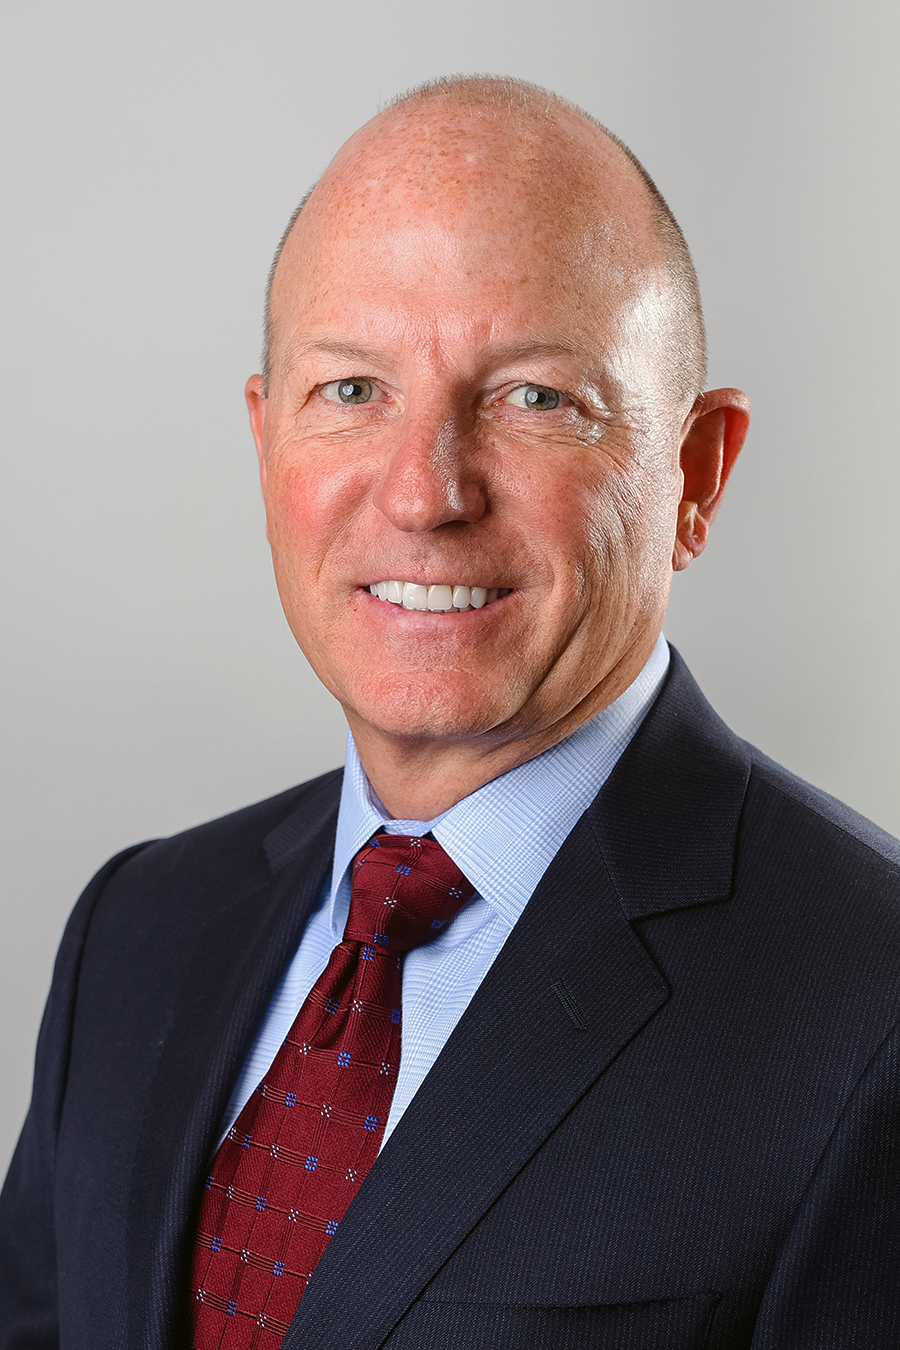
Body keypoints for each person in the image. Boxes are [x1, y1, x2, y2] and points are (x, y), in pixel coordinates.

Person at [1, 74, 899, 1350]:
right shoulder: (135, 933)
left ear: (696, 476)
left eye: (537, 398)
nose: (425, 492)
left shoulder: (871, 1011)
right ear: (268, 445)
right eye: (352, 390)